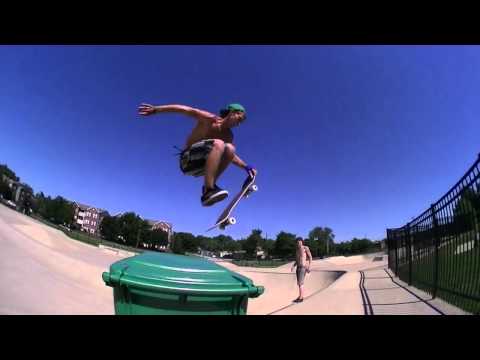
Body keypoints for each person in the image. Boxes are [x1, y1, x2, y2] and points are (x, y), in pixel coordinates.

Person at [138, 102, 257, 206]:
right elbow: (184, 109)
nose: (239, 124)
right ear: (231, 113)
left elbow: (231, 156)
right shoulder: (209, 119)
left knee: (230, 148)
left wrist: (246, 167)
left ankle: (208, 188)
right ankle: (209, 190)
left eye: (241, 122)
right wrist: (157, 109)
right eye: (239, 119)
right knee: (219, 144)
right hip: (187, 161)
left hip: (202, 167)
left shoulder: (229, 135)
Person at [290, 237, 312, 303]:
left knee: (300, 283)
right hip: (298, 268)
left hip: (303, 267)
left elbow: (310, 257)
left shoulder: (305, 248)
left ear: (302, 242)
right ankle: (300, 296)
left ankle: (301, 297)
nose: (298, 243)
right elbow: (297, 260)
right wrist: (293, 266)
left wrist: (309, 266)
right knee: (299, 283)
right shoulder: (297, 250)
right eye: (297, 242)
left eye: (299, 242)